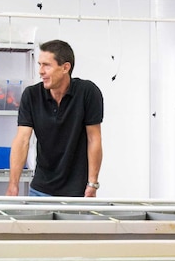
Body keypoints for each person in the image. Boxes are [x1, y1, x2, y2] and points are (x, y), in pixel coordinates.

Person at [6, 39, 103, 197]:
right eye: (39, 64)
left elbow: (94, 139)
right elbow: (22, 140)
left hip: (77, 191)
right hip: (40, 189)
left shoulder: (88, 93)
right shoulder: (31, 95)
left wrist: (92, 184)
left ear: (65, 67)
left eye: (47, 65)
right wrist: (13, 184)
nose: (41, 71)